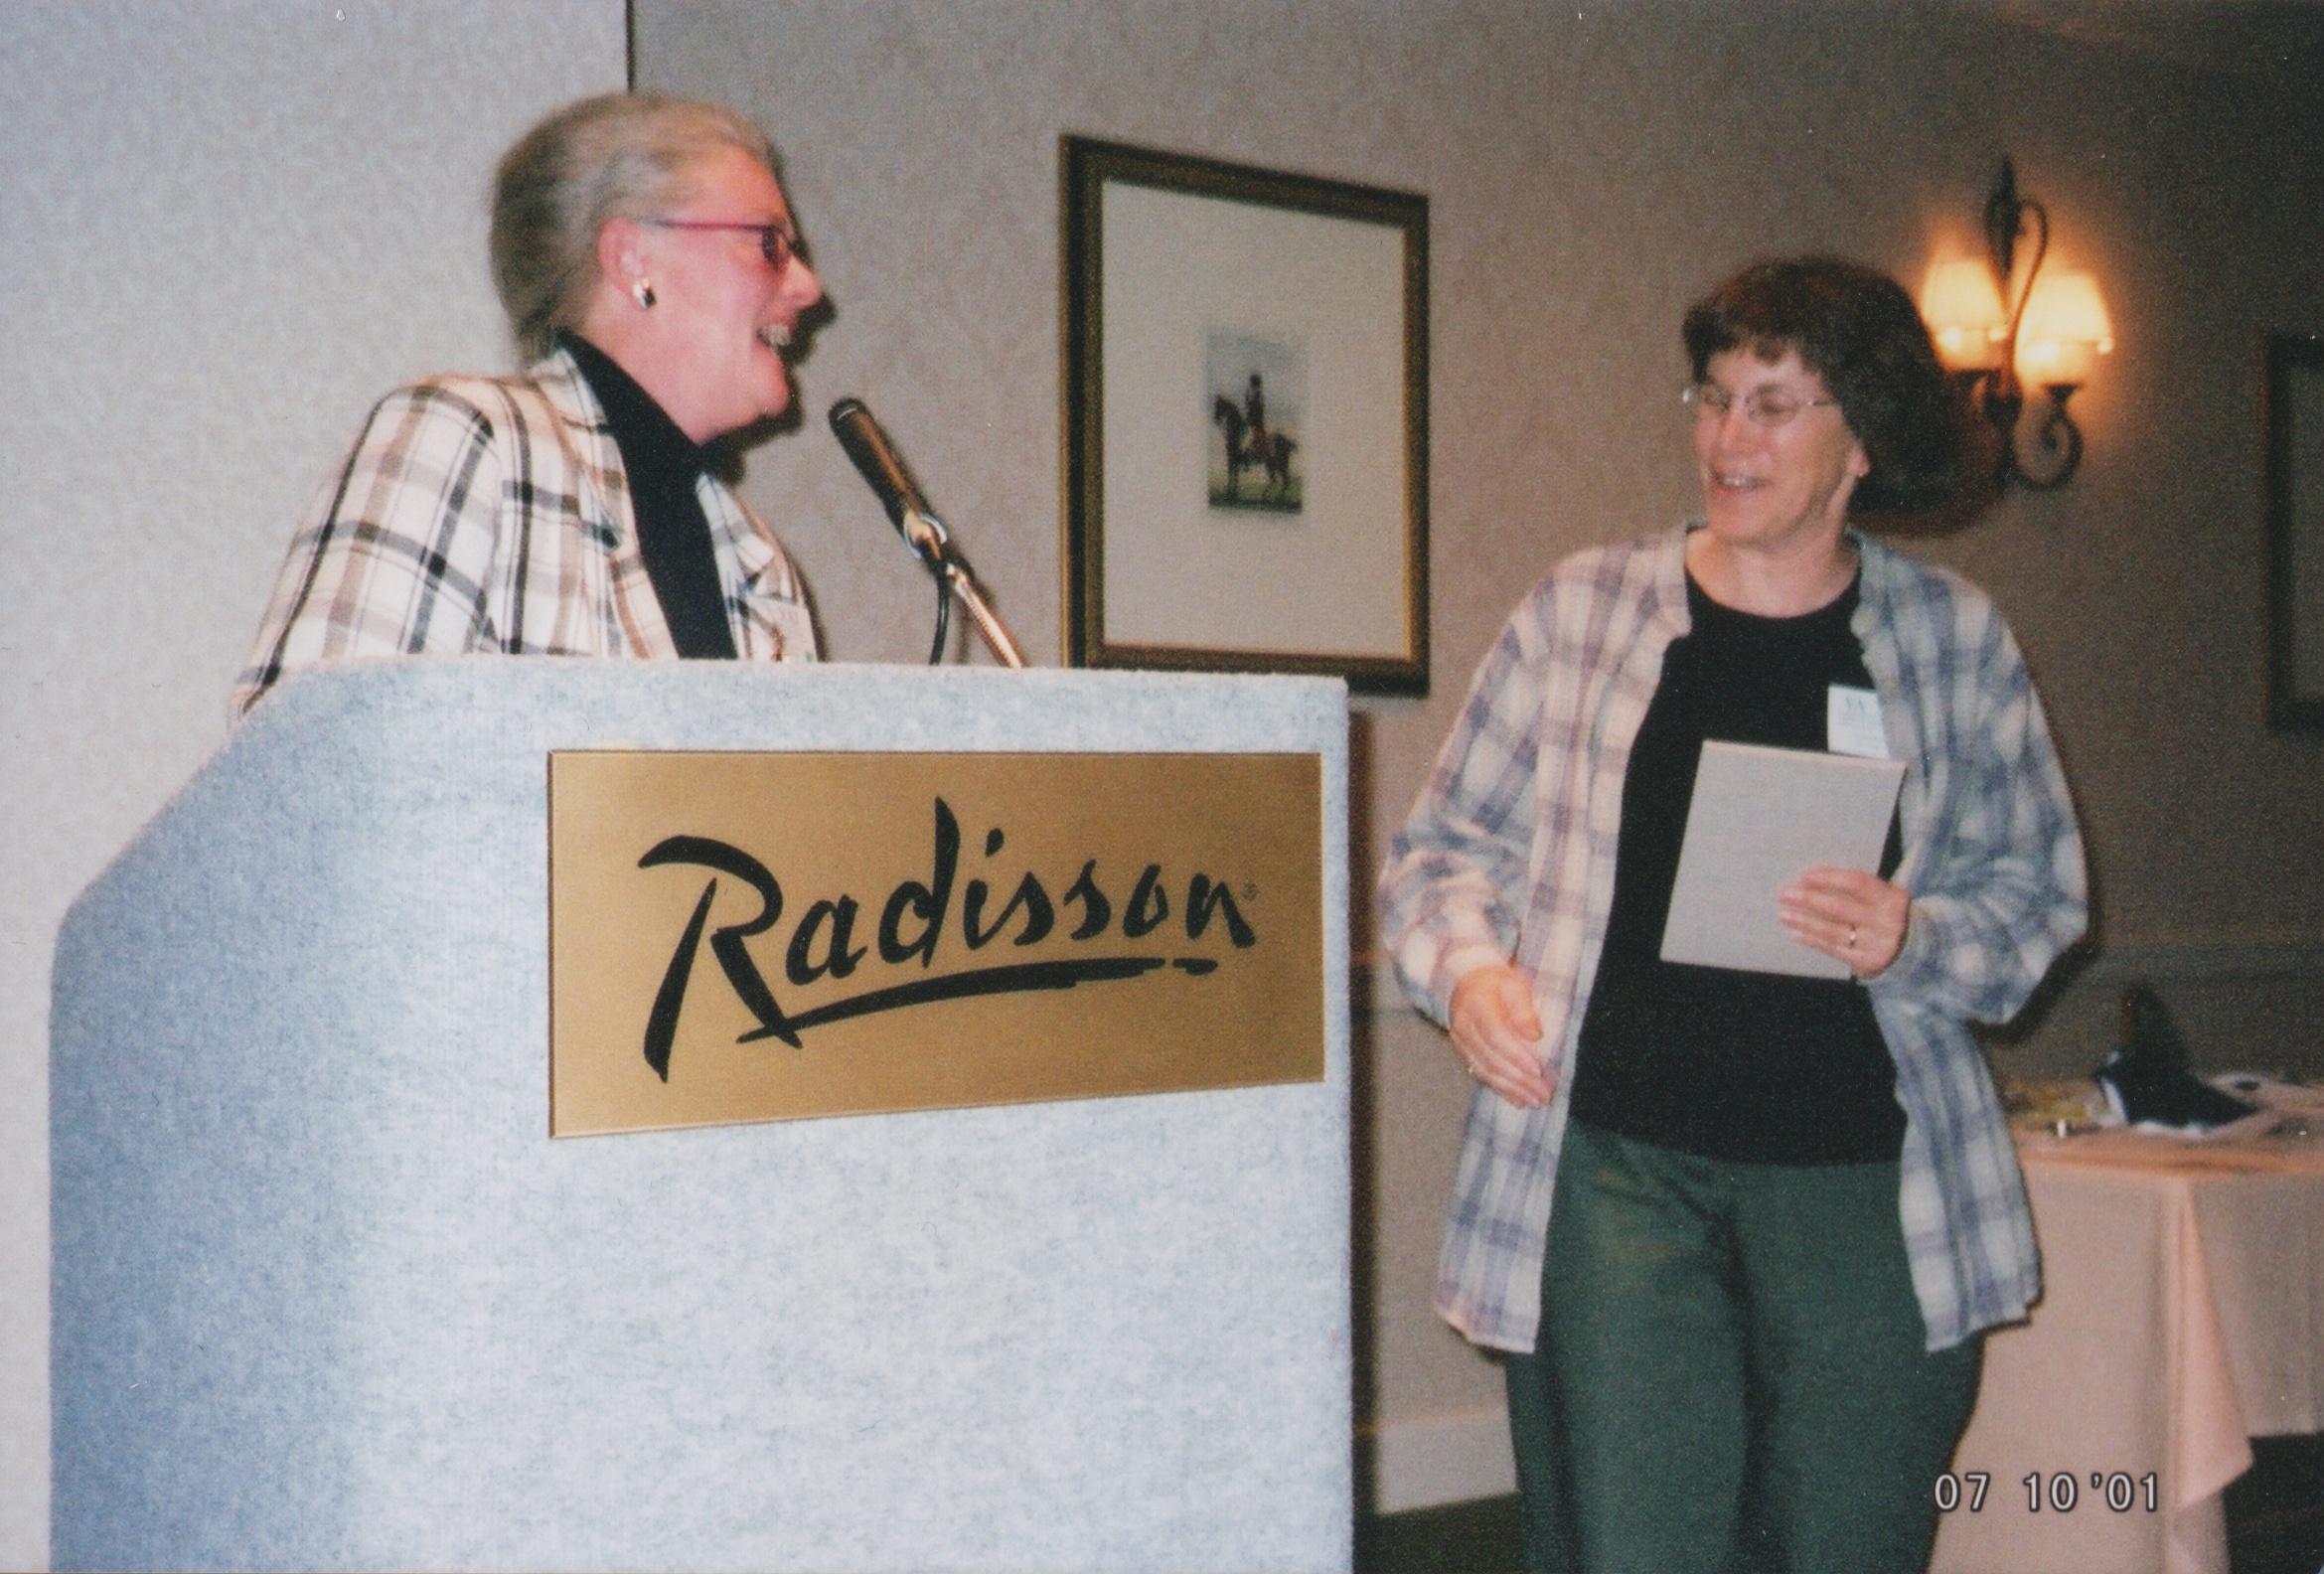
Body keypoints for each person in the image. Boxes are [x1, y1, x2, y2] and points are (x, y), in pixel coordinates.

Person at [1378, 256, 2087, 1573]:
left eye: (1770, 406)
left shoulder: (1951, 642)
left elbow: (2036, 897)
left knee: (1849, 1541)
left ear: (1861, 441)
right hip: (1622, 1175)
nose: (1723, 437)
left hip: (1863, 1184)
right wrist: (1469, 974)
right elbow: (1434, 854)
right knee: (1640, 1545)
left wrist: (1912, 934)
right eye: (1709, 399)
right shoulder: (1581, 614)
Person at [234, 91, 825, 714]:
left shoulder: (755, 559)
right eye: (769, 245)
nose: (808, 285)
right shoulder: (467, 437)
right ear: (631, 258)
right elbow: (309, 758)